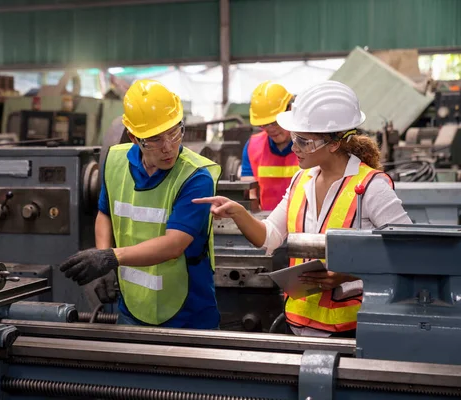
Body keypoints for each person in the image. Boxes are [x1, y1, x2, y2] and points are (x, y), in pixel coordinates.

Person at [193, 80, 412, 338]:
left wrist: (347, 273)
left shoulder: (371, 187)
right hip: (296, 326)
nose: (294, 147)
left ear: (333, 143)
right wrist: (238, 213)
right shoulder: (301, 181)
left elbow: (406, 252)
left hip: (349, 332)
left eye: (303, 141)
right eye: (294, 137)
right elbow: (269, 235)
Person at [59, 79, 222, 329]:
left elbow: (174, 244)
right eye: (154, 139)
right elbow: (105, 212)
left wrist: (110, 257)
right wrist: (103, 259)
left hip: (187, 315)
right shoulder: (115, 162)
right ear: (134, 137)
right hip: (133, 308)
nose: (168, 147)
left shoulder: (195, 176)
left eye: (174, 132)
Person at [241, 81, 299, 211]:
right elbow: (250, 193)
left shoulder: (310, 144)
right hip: (268, 224)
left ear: (290, 110)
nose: (270, 129)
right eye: (264, 124)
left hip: (304, 223)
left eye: (275, 122)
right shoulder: (253, 147)